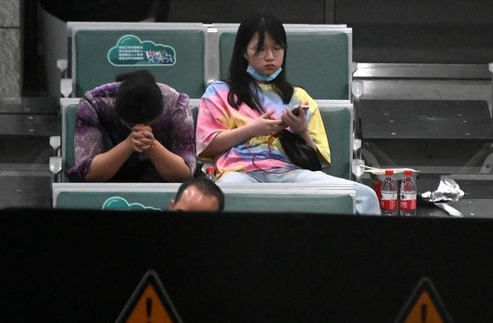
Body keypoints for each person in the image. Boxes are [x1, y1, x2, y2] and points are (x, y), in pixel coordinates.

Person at [194, 12, 380, 215]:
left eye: (277, 48)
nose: (270, 57)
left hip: (290, 173)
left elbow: (317, 163)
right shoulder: (219, 93)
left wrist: (301, 131)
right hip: (238, 173)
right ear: (243, 52)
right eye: (260, 49)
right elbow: (208, 146)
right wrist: (253, 129)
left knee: (365, 196)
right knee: (214, 198)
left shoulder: (299, 98)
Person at [68, 70, 196, 182]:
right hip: (108, 187)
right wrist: (128, 145)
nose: (140, 128)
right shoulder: (93, 103)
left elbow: (185, 173)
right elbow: (88, 172)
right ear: (115, 103)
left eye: (149, 123)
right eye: (131, 125)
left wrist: (151, 145)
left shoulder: (176, 104)